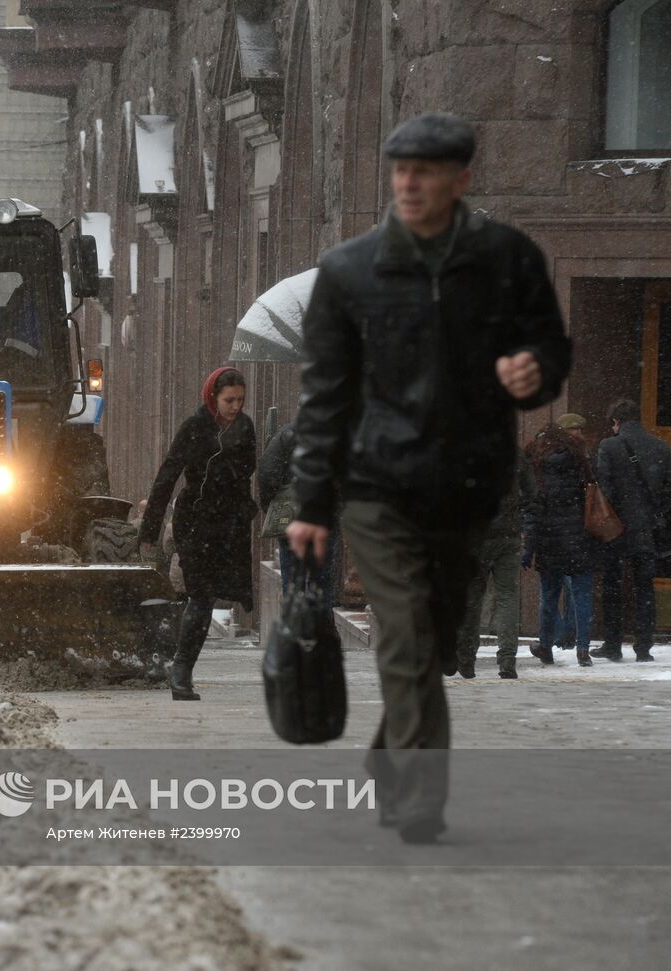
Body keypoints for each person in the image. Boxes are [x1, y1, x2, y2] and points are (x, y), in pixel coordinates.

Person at [285, 112, 572, 844]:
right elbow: (325, 398)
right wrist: (311, 502)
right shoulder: (349, 271)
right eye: (400, 170)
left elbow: (547, 349)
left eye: (426, 170)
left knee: (439, 643)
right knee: (407, 635)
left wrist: (533, 371)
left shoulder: (507, 259)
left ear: (461, 178)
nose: (409, 183)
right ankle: (420, 794)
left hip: (470, 488)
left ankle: (391, 755)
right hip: (377, 486)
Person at [138, 367, 258, 701]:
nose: (235, 406)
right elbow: (167, 476)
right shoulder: (194, 428)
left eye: (240, 400)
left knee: (216, 593)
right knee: (201, 595)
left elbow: (246, 472)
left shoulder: (245, 427)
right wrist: (150, 527)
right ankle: (181, 671)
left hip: (229, 524)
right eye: (229, 400)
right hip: (197, 522)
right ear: (213, 397)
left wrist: (246, 509)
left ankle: (173, 661)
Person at [593, 398, 671, 662]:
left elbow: (605, 491)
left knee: (613, 587)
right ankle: (644, 647)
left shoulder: (609, 446)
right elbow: (667, 492)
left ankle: (613, 645)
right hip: (647, 529)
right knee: (645, 588)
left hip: (617, 529)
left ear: (616, 422)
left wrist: (611, 524)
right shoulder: (661, 447)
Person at [522, 424, 596, 667]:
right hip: (578, 538)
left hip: (549, 540)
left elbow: (535, 512)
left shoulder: (540, 471)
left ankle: (545, 645)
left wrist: (528, 549)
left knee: (549, 596)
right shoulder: (580, 464)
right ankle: (583, 648)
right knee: (583, 596)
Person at [457, 450, 535, 679]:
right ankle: (507, 661)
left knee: (472, 597)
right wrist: (513, 512)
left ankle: (466, 659)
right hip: (508, 536)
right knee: (507, 596)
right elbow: (531, 493)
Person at [258, 421, 342, 606]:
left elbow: (267, 473)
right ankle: (320, 627)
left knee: (292, 581)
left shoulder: (287, 436)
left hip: (292, 519)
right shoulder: (339, 438)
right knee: (322, 583)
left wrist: (272, 505)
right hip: (324, 519)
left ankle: (295, 626)